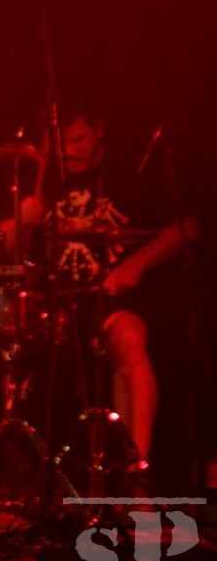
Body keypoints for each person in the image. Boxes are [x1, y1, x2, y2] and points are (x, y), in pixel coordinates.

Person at [22, 108, 200, 468]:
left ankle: (138, 475)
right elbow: (3, 244)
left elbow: (188, 228)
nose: (69, 151)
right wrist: (20, 220)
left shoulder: (128, 179)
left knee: (129, 341)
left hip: (113, 300)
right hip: (56, 308)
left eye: (78, 140)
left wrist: (136, 264)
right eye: (61, 144)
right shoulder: (44, 183)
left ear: (98, 130)